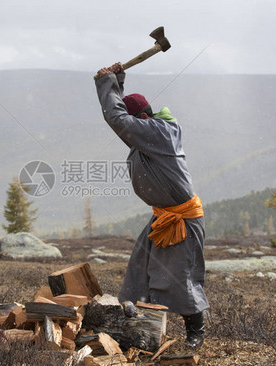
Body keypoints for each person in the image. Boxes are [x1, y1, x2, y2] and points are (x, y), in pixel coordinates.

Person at [94, 63, 209, 348]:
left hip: (181, 219)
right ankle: (143, 328)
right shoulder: (150, 133)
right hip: (162, 216)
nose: (133, 129)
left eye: (136, 122)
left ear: (144, 117)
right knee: (140, 268)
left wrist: (106, 83)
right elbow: (122, 118)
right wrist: (116, 81)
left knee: (179, 276)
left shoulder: (159, 132)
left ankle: (196, 330)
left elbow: (119, 120)